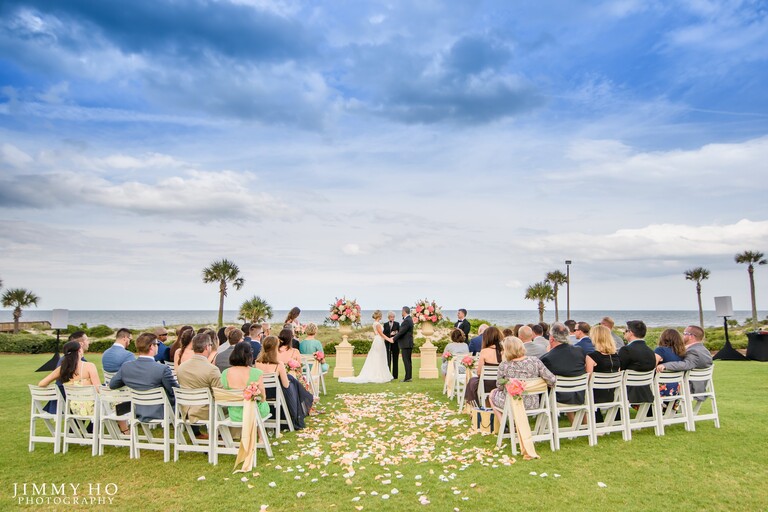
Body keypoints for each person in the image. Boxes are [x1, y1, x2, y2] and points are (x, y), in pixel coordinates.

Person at [109, 332, 179, 421]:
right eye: (157, 344)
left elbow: (112, 385)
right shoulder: (162, 369)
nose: (158, 346)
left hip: (136, 410)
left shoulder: (126, 367)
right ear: (152, 346)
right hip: (161, 412)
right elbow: (174, 391)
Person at [255, 335, 314, 429]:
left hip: (263, 392)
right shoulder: (279, 364)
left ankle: (307, 396)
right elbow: (286, 385)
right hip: (276, 393)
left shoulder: (257, 363)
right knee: (292, 383)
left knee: (292, 380)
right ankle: (306, 400)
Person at [489, 336, 555, 413]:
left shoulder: (504, 365)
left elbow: (500, 386)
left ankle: (502, 420)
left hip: (512, 403)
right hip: (533, 403)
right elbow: (552, 379)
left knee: (492, 394)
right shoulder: (535, 361)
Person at [176, 333, 223, 439]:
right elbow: (220, 393)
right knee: (229, 407)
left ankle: (218, 436)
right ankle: (222, 436)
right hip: (205, 411)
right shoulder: (212, 369)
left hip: (185, 409)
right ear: (207, 347)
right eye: (210, 345)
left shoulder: (182, 367)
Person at [39, 341, 101, 417]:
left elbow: (42, 383)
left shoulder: (62, 369)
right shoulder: (89, 366)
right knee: (111, 405)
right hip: (91, 407)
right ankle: (94, 425)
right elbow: (98, 388)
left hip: (73, 408)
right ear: (79, 351)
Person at [339, 310, 394, 384]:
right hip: (379, 340)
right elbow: (381, 334)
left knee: (378, 356)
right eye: (381, 315)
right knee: (378, 356)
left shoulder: (375, 323)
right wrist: (389, 339)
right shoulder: (377, 324)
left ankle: (379, 373)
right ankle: (377, 374)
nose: (382, 316)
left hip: (378, 340)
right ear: (379, 316)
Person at [540, 322, 587, 406]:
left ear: (551, 338)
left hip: (558, 399)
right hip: (580, 396)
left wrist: (549, 352)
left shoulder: (547, 358)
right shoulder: (579, 351)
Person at [657, 325, 713, 394]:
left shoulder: (694, 351)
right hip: (699, 385)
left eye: (684, 334)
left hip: (690, 387)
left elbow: (686, 365)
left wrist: (665, 365)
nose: (682, 336)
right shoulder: (704, 350)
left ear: (691, 336)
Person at [221, 343, 270, 421]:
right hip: (255, 412)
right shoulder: (257, 373)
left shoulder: (225, 373)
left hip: (235, 414)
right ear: (249, 355)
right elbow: (262, 397)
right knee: (263, 404)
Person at [585, 325, 621, 422]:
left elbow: (589, 379)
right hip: (612, 393)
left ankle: (596, 421)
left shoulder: (591, 357)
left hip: (596, 395)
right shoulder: (616, 357)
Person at [618, 320, 657, 404]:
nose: (624, 333)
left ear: (631, 332)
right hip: (646, 391)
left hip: (629, 391)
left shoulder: (626, 350)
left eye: (625, 331)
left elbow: (620, 370)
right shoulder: (650, 351)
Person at [464, 326, 504, 407]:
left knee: (472, 381)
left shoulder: (484, 351)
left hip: (486, 385)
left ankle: (475, 406)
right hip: (500, 384)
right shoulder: (504, 351)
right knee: (473, 382)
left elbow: (479, 373)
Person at [654, 329, 685, 397]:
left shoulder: (660, 350)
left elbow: (651, 366)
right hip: (677, 390)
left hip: (661, 389)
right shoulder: (681, 353)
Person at [392, 306, 414, 382]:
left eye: (402, 311)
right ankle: (409, 377)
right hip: (408, 343)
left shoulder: (407, 320)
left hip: (406, 344)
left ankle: (407, 378)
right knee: (408, 361)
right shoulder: (409, 319)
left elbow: (401, 332)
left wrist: (393, 338)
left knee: (406, 361)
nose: (401, 312)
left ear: (404, 311)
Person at [382, 311, 400, 378]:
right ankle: (388, 374)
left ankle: (395, 376)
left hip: (395, 344)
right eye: (391, 317)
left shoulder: (397, 324)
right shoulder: (385, 324)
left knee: (395, 360)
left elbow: (400, 333)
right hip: (387, 344)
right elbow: (383, 334)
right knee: (388, 359)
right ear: (388, 317)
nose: (392, 318)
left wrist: (395, 333)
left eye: (393, 317)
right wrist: (389, 335)